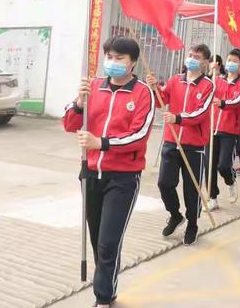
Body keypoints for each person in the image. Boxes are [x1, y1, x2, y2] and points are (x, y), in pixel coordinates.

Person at [63, 36, 155, 308]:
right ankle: (108, 286)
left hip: (123, 178)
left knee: (108, 242)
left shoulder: (142, 93)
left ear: (133, 63)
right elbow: (70, 124)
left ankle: (103, 298)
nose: (112, 63)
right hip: (90, 174)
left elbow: (138, 136)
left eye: (120, 59)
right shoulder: (93, 87)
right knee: (96, 239)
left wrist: (101, 143)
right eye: (110, 57)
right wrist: (80, 103)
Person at [147, 44, 214, 246]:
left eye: (197, 56)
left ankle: (192, 223)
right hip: (171, 140)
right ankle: (175, 214)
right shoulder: (176, 80)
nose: (192, 58)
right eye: (190, 55)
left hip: (194, 145)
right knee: (164, 183)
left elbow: (201, 113)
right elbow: (161, 100)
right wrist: (154, 88)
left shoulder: (208, 85)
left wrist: (178, 118)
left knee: (191, 189)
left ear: (205, 62)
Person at [206, 48, 240, 211]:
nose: (230, 63)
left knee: (223, 165)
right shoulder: (218, 80)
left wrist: (222, 103)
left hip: (229, 130)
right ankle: (212, 198)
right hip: (212, 128)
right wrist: (211, 73)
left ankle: (230, 180)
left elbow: (236, 101)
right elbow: (206, 90)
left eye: (234, 61)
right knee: (210, 165)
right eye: (228, 60)